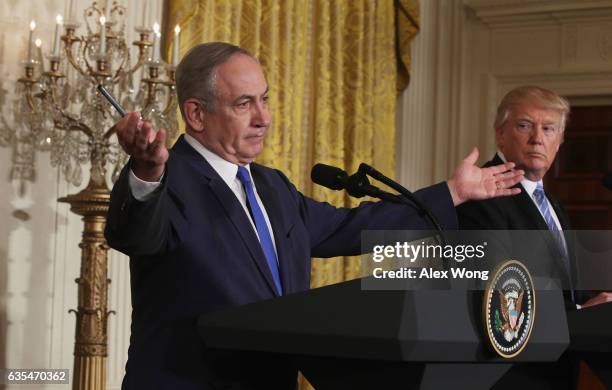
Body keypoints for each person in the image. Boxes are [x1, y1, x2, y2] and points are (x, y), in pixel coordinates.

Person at [105, 42, 524, 390]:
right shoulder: (168, 179)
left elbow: (350, 228)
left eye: (265, 99)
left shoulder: (271, 186)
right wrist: (146, 170)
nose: (263, 118)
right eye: (244, 104)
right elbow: (134, 234)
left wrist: (452, 194)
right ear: (196, 114)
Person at [456, 85, 612, 388]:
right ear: (501, 133)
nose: (537, 138)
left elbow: (567, 284)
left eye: (549, 128)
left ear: (560, 141)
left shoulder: (553, 204)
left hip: (556, 370)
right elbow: (494, 295)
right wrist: (581, 314)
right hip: (508, 374)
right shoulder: (481, 198)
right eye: (525, 125)